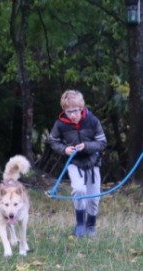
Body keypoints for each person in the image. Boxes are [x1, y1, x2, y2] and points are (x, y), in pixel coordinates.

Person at [48, 90, 108, 237]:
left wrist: (87, 146)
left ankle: (91, 225)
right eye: (68, 112)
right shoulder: (60, 124)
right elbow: (52, 141)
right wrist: (64, 150)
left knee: (94, 197)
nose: (72, 115)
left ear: (82, 108)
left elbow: (102, 142)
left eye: (75, 111)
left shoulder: (93, 121)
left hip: (93, 162)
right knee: (79, 190)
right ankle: (80, 223)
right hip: (74, 162)